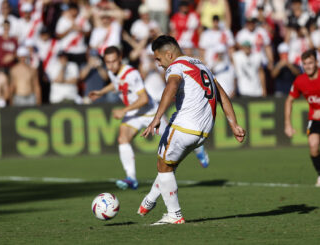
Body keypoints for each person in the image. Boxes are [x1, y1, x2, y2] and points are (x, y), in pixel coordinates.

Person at [138, 35, 245, 225]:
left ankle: (174, 215)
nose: (158, 63)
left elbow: (172, 85)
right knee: (169, 165)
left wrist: (156, 118)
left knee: (163, 166)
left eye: (158, 58)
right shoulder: (201, 65)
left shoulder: (176, 66)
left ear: (169, 55)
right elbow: (220, 92)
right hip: (204, 131)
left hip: (185, 125)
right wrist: (233, 123)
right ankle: (149, 200)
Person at [88, 46, 159, 190]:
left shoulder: (132, 74)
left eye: (114, 61)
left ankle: (198, 149)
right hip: (134, 113)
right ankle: (131, 178)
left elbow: (144, 98)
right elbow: (116, 83)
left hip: (151, 112)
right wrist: (101, 92)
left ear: (120, 58)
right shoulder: (112, 72)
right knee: (122, 139)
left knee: (176, 138)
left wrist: (123, 111)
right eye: (107, 62)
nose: (111, 65)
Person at [285, 49, 320, 187]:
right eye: (305, 64)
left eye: (310, 63)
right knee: (313, 146)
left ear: (316, 62)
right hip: (315, 119)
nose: (308, 66)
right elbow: (289, 101)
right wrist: (288, 124)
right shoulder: (300, 81)